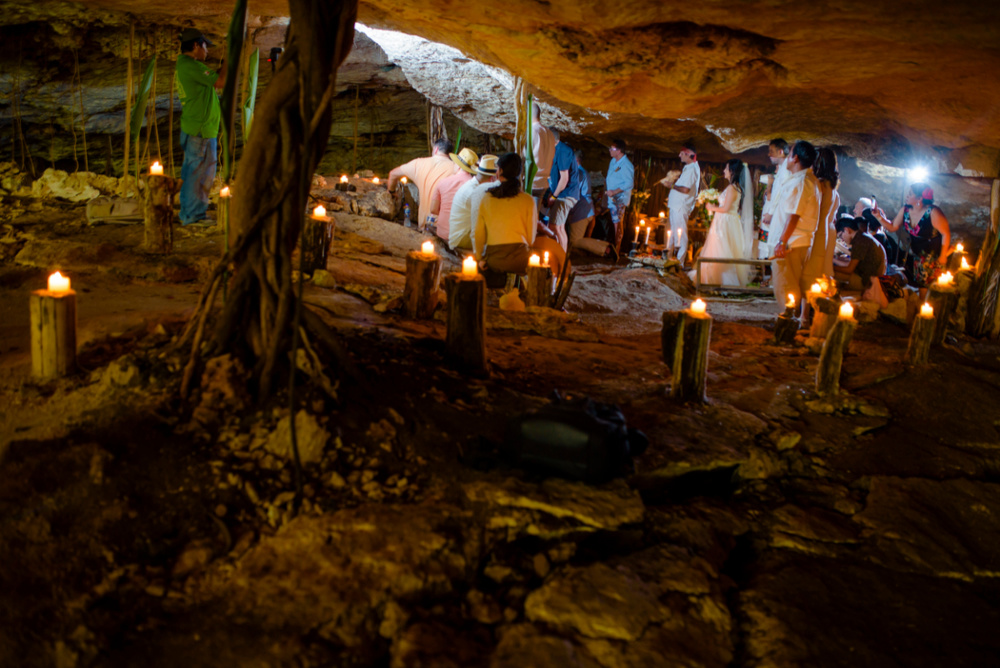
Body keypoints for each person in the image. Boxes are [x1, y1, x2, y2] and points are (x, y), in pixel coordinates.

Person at [175, 28, 226, 227]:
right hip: (200, 130)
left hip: (202, 129)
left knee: (199, 173)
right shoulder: (190, 66)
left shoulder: (188, 66)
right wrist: (230, 60)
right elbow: (220, 81)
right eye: (205, 47)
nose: (207, 51)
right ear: (196, 46)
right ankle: (191, 216)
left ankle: (195, 213)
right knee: (197, 174)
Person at [770, 141, 820, 310]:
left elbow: (794, 214)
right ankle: (789, 319)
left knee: (785, 285)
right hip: (797, 241)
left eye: (789, 154)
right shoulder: (805, 180)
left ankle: (787, 321)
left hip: (791, 243)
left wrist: (782, 241)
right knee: (788, 284)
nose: (786, 159)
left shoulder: (802, 182)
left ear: (795, 158)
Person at [880, 182, 951, 293]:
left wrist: (943, 256)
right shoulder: (906, 210)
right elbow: (892, 227)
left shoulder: (933, 212)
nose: (907, 196)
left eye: (910, 194)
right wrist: (878, 217)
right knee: (921, 289)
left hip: (933, 258)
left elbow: (945, 233)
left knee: (930, 291)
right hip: (918, 257)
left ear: (919, 199)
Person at [474, 153, 537, 274]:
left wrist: (479, 259)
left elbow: (479, 234)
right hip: (521, 261)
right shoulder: (528, 200)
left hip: (494, 261)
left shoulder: (487, 198)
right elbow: (530, 239)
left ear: (500, 171)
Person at [692, 159, 752, 286]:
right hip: (727, 221)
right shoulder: (735, 187)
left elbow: (725, 208)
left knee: (722, 249)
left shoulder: (732, 188)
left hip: (725, 222)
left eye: (726, 168)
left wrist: (711, 208)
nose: (724, 171)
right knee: (722, 248)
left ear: (732, 171)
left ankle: (722, 280)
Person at [388, 139, 458, 230]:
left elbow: (393, 174)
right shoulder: (456, 169)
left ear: (436, 149)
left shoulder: (418, 163)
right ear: (450, 154)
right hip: (446, 228)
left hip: (425, 225)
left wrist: (391, 191)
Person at [801, 147, 841, 291]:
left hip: (819, 229)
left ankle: (810, 303)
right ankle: (826, 295)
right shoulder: (833, 186)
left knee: (813, 267)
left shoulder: (820, 185)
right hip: (829, 230)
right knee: (825, 266)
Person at [566, 149, 613, 258]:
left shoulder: (577, 173)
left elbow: (573, 192)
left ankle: (605, 248)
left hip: (581, 211)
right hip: (587, 210)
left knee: (574, 241)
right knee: (582, 240)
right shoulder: (583, 172)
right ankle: (602, 248)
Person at [659, 144, 699, 264]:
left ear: (688, 154)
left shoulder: (692, 170)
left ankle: (679, 263)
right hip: (676, 206)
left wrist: (671, 185)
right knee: (672, 234)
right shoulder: (688, 168)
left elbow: (685, 189)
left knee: (680, 234)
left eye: (682, 153)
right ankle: (668, 259)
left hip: (680, 207)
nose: (679, 155)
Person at [450, 154, 499, 250]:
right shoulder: (475, 193)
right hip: (462, 238)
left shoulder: (474, 186)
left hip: (461, 234)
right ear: (492, 179)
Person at [429, 147, 478, 243]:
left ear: (458, 166)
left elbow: (433, 209)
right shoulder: (475, 187)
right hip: (464, 237)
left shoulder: (443, 182)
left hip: (443, 233)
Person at [545, 129, 581, 251]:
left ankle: (560, 258)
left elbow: (564, 179)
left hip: (565, 195)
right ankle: (562, 257)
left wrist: (553, 196)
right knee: (559, 227)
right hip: (563, 194)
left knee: (554, 226)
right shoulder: (557, 150)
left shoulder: (563, 151)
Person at [833, 217, 886, 291]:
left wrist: (830, 267)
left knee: (830, 274)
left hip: (866, 282)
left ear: (847, 230)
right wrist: (834, 260)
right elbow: (850, 265)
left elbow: (849, 269)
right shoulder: (862, 237)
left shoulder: (860, 241)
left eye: (841, 236)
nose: (842, 239)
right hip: (870, 278)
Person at [759, 138, 790, 257]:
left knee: (774, 248)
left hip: (780, 214)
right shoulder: (782, 168)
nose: (769, 154)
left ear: (781, 152)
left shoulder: (786, 169)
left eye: (771, 151)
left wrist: (770, 213)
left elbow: (779, 193)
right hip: (777, 213)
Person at [605, 139, 634, 243]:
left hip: (620, 199)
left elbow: (629, 183)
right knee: (614, 222)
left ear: (619, 151)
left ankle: (616, 249)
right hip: (612, 199)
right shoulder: (613, 161)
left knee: (618, 223)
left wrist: (614, 192)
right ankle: (612, 247)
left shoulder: (626, 165)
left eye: (612, 149)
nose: (609, 150)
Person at [527, 104, 556, 200]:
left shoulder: (531, 131)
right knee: (535, 213)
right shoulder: (549, 133)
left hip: (531, 181)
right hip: (543, 182)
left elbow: (523, 157)